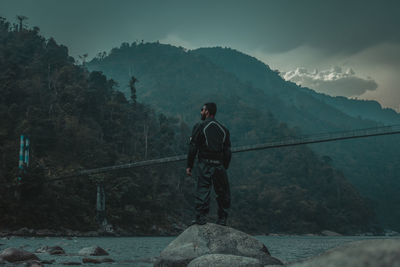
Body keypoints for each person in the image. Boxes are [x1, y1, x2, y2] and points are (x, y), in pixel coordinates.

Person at [186, 102, 232, 226]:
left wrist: (189, 165)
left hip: (205, 164)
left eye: (202, 109)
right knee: (222, 192)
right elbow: (227, 151)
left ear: (207, 111)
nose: (201, 112)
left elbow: (193, 148)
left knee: (203, 190)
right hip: (219, 166)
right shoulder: (224, 129)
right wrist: (224, 166)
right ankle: (222, 220)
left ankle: (201, 218)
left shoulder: (199, 126)